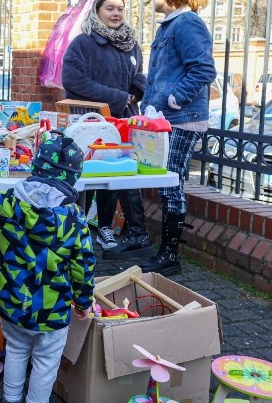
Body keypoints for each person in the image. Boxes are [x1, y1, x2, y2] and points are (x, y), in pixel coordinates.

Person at [0, 133, 95, 403]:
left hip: (10, 299)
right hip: (50, 309)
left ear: (36, 165)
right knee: (46, 360)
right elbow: (83, 266)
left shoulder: (9, 202)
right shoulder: (73, 220)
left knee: (17, 349)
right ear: (74, 177)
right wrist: (83, 302)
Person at [62, 0, 152, 261]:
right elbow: (73, 79)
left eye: (120, 9)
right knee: (84, 175)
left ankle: (104, 229)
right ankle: (75, 228)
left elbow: (139, 75)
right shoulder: (83, 43)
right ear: (97, 11)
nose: (116, 13)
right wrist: (115, 97)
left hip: (122, 121)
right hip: (90, 123)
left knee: (114, 176)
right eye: (109, 8)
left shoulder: (131, 43)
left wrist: (133, 94)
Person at [139, 0, 215, 275]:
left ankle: (170, 255)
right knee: (166, 181)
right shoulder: (169, 26)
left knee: (171, 181)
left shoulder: (187, 23)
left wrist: (175, 99)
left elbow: (204, 70)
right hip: (164, 120)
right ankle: (166, 252)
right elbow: (156, 78)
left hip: (182, 120)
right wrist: (146, 109)